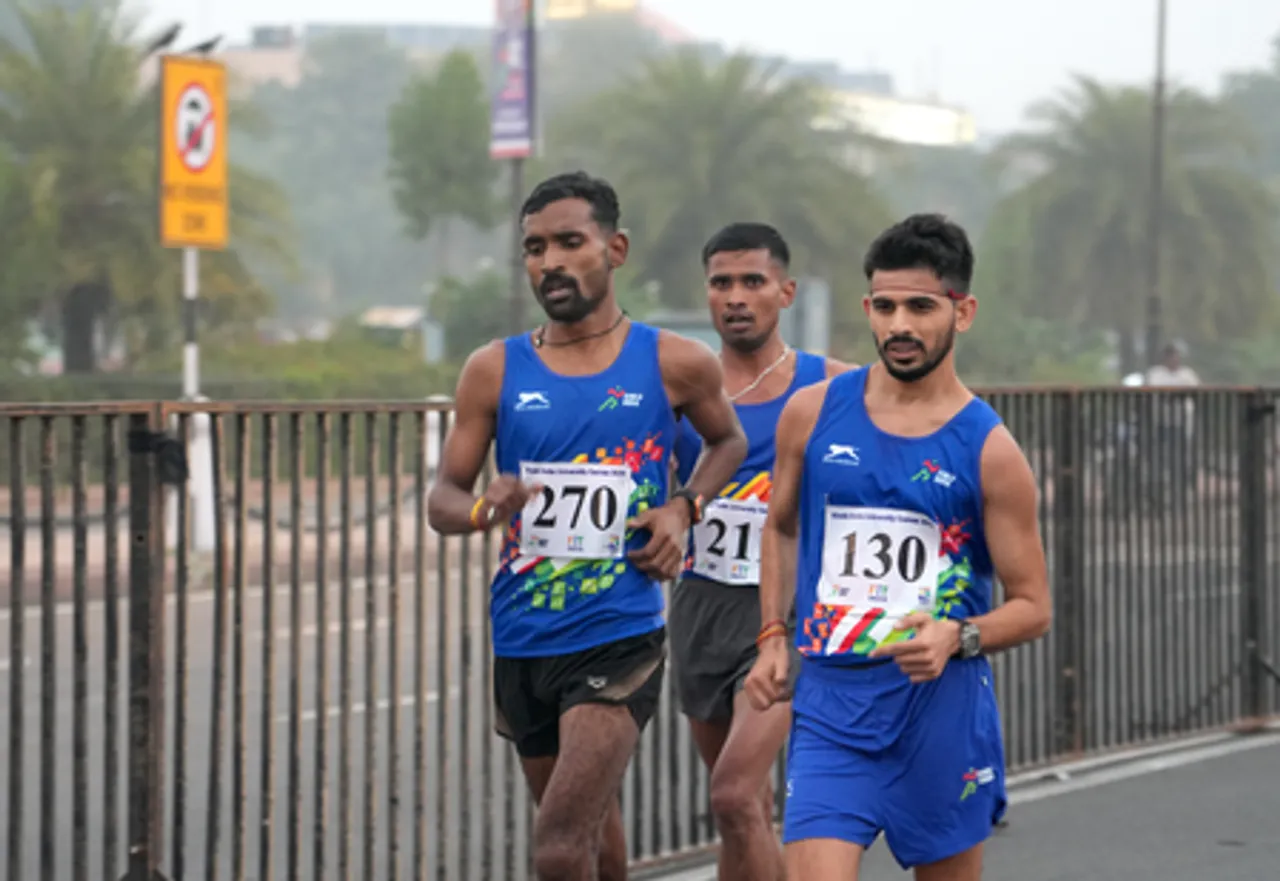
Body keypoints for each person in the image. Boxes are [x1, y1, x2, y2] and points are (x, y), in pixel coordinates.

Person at [427, 171, 748, 881]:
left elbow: (729, 443)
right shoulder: (492, 369)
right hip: (523, 634)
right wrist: (487, 508)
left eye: (570, 242)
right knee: (594, 836)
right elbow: (443, 497)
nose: (550, 262)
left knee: (558, 842)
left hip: (618, 632)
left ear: (616, 248)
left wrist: (682, 506)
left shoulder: (674, 361)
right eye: (535, 247)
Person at [744, 213, 1052, 881]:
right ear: (867, 308)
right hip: (832, 709)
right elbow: (782, 524)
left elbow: (1034, 605)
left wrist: (957, 634)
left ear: (962, 311)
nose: (900, 325)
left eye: (921, 306)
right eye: (885, 306)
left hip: (937, 714)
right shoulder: (813, 412)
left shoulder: (990, 450)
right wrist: (772, 633)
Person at [669, 222, 853, 881]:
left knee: (734, 791)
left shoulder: (833, 386)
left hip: (788, 611)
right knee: (743, 806)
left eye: (753, 281)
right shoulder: (685, 388)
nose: (736, 296)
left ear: (786, 291)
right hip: (702, 604)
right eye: (722, 282)